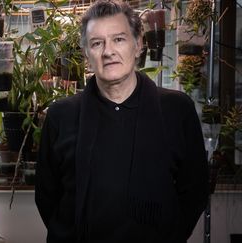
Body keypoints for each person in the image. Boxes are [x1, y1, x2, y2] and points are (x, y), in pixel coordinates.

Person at [35, 1, 209, 242]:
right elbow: (46, 194)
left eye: (118, 39)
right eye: (97, 43)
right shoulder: (60, 115)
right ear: (86, 54)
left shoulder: (176, 109)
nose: (108, 51)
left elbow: (195, 189)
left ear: (138, 44)